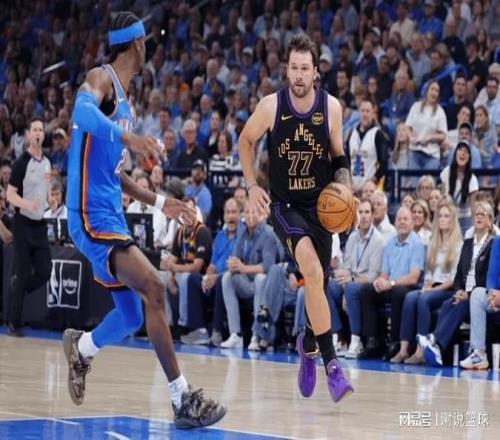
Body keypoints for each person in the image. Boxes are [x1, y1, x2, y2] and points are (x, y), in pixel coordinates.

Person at [63, 12, 226, 428]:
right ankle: (182, 399)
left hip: (110, 214)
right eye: (146, 41)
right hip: (90, 215)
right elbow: (80, 111)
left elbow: (115, 175)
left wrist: (160, 202)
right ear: (137, 43)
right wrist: (129, 138)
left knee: (133, 316)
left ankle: (81, 348)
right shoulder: (100, 79)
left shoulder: (127, 105)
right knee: (154, 286)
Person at [238, 34, 354, 403]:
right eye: (294, 68)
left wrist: (346, 186)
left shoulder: (331, 107)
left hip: (321, 208)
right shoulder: (271, 106)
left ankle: (308, 343)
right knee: (313, 271)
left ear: (316, 71)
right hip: (285, 206)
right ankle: (333, 367)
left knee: (318, 285)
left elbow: (339, 156)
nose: (299, 75)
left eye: (305, 68)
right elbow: (245, 140)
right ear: (286, 69)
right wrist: (251, 185)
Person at [6, 117, 52, 337]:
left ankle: (18, 287)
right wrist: (27, 204)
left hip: (40, 225)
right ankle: (14, 323)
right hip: (22, 223)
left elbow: (46, 188)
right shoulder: (20, 163)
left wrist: (51, 200)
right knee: (23, 271)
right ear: (28, 135)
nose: (38, 133)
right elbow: (10, 195)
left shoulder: (47, 162)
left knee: (45, 271)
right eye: (34, 130)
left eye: (41, 130)